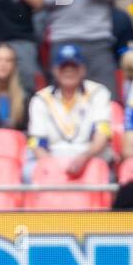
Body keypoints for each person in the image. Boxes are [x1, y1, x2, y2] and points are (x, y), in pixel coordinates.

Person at [25, 43, 112, 182]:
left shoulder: (98, 93)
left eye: (74, 66)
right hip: (51, 157)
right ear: (54, 70)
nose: (69, 71)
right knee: (28, 172)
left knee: (107, 172)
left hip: (89, 156)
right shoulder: (40, 99)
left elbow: (101, 135)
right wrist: (55, 167)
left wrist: (84, 158)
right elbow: (36, 142)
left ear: (83, 69)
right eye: (63, 67)